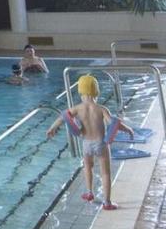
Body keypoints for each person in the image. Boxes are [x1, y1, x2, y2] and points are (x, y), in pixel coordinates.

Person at [47, 75, 134, 210]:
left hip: (86, 143)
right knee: (105, 173)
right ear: (96, 91)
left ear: (81, 92)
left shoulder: (77, 109)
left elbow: (63, 117)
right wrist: (128, 129)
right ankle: (107, 202)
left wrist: (52, 127)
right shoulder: (101, 109)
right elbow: (114, 124)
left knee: (87, 167)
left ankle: (89, 192)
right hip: (101, 143)